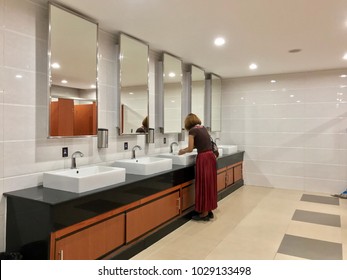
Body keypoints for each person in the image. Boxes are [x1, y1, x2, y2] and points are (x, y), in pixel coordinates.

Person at [178, 113, 217, 221]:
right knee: (209, 184)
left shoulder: (192, 131)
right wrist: (186, 148)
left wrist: (182, 151)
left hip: (203, 158)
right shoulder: (202, 128)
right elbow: (197, 144)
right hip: (210, 157)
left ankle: (203, 214)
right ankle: (209, 210)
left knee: (203, 184)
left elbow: (190, 149)